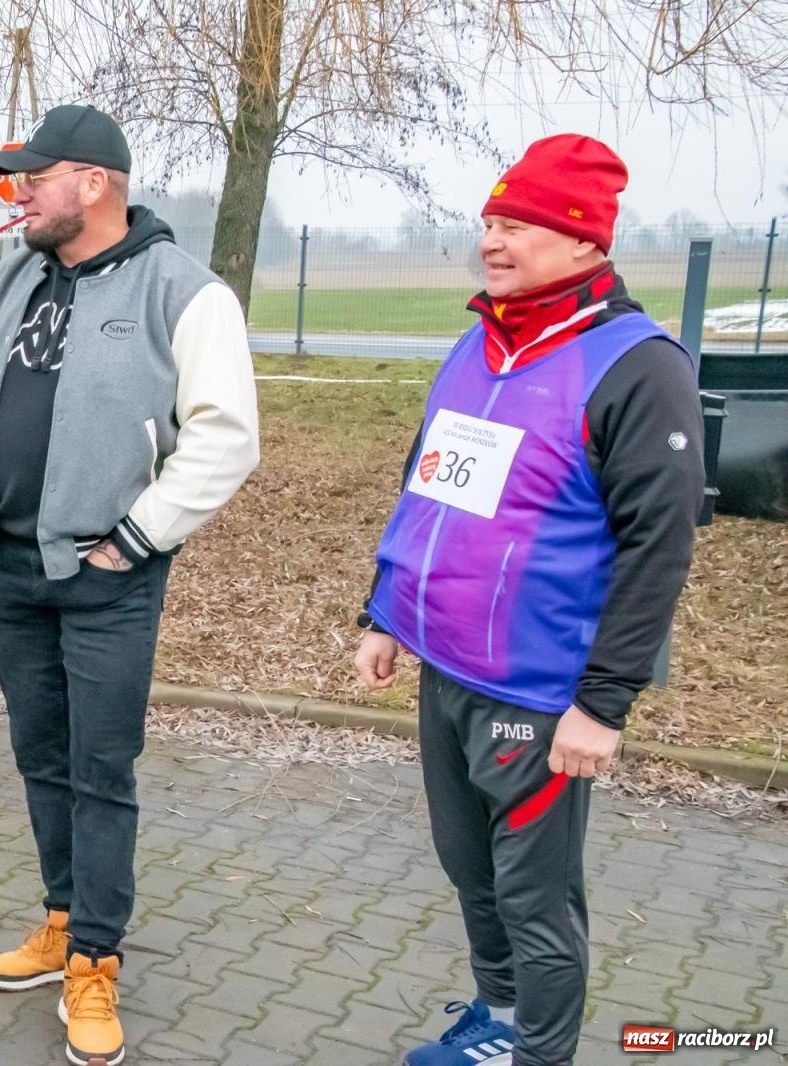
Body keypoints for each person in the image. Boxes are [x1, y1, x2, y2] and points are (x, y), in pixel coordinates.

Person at [354, 135, 706, 1066]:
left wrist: (604, 703)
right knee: (469, 872)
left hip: (539, 693)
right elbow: (429, 486)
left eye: (518, 225)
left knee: (533, 898)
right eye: (489, 223)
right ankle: (500, 1021)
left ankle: (540, 1054)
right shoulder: (481, 344)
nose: (492, 242)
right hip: (446, 669)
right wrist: (385, 611)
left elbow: (659, 550)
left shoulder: (637, 365)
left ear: (587, 240)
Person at [0, 104, 260, 1066]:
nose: (19, 194)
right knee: (40, 757)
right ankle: (60, 917)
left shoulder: (185, 292)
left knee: (100, 771)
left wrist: (134, 539)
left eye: (34, 178)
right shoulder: (11, 277)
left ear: (95, 184)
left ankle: (95, 960)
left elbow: (226, 438)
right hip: (13, 570)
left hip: (107, 579)